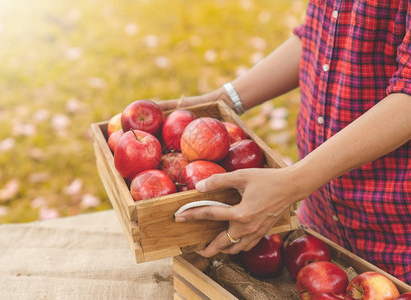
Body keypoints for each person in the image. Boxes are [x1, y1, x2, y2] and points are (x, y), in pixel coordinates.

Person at [158, 0, 411, 284]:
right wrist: (225, 99)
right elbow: (319, 34)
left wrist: (291, 184)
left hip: (396, 236)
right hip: (321, 222)